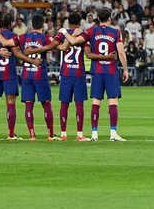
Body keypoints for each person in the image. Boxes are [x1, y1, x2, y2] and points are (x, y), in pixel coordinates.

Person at [2, 14, 61, 141]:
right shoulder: (45, 38)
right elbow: (56, 44)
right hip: (40, 75)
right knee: (46, 104)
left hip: (26, 75)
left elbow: (6, 43)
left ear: (31, 25)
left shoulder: (23, 37)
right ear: (43, 25)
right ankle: (51, 135)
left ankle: (32, 135)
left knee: (29, 105)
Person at [77, 7, 129, 141]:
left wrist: (66, 33)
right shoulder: (116, 32)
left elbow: (76, 40)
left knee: (96, 101)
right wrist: (125, 69)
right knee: (113, 101)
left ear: (98, 18)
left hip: (97, 71)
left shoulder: (91, 31)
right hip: (111, 70)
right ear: (110, 19)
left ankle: (94, 133)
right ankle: (113, 133)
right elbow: (121, 52)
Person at [0, 12, 21, 140]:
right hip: (9, 73)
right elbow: (16, 52)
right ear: (9, 23)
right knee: (10, 103)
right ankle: (11, 134)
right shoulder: (12, 36)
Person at [55, 12, 88, 141]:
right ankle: (79, 134)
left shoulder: (62, 33)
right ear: (79, 23)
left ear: (68, 23)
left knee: (64, 104)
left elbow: (58, 47)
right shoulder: (83, 35)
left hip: (66, 73)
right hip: (79, 73)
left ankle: (63, 133)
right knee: (79, 104)